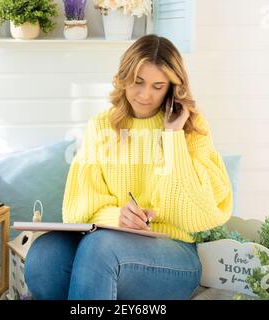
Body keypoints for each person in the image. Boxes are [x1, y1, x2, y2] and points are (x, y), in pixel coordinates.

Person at [24, 34, 233, 300]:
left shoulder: (192, 129)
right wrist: (117, 218)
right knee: (45, 256)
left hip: (175, 254)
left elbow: (197, 215)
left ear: (171, 87)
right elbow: (77, 210)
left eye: (158, 86)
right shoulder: (101, 126)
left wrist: (172, 136)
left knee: (100, 249)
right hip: (104, 243)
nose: (145, 95)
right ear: (124, 78)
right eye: (138, 82)